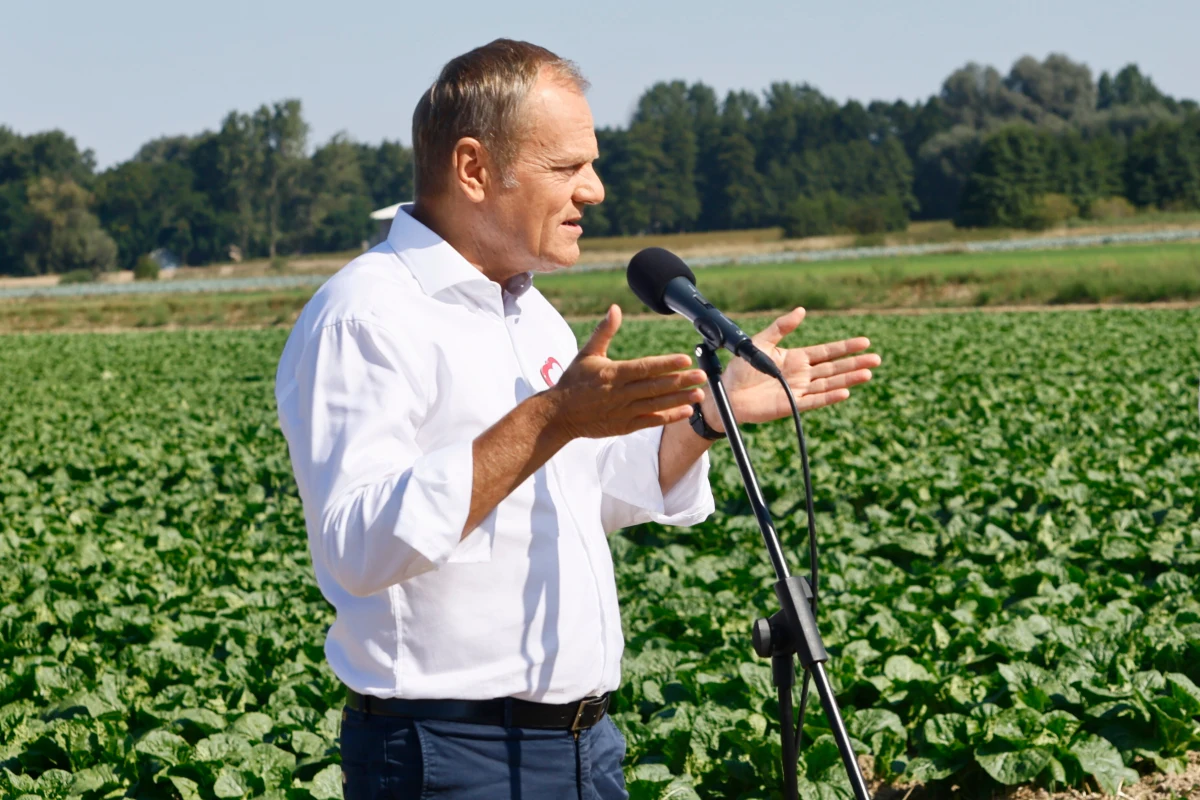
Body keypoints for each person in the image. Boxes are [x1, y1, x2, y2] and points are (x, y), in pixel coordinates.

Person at [275, 38, 880, 800]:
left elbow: (585, 493)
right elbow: (356, 547)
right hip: (451, 755)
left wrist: (708, 415)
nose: (594, 190)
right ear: (473, 168)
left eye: (591, 164)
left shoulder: (529, 313)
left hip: (586, 746)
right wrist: (550, 419)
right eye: (567, 168)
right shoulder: (366, 315)